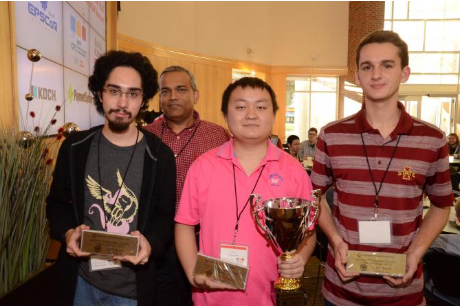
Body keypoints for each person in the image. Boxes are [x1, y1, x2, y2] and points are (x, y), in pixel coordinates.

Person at [310, 30, 453, 306]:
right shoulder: (331, 135)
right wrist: (336, 240)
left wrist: (416, 251)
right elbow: (315, 198)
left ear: (404, 73)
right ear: (357, 76)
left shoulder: (432, 139)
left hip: (404, 293)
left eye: (387, 65)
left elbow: (441, 204)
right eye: (367, 66)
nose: (376, 74)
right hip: (341, 292)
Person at [46, 51, 176, 306]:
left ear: (144, 99)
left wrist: (151, 243)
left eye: (133, 93)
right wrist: (68, 232)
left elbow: (164, 216)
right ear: (100, 93)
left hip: (133, 291)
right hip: (80, 283)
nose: (122, 102)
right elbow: (56, 204)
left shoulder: (160, 155)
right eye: (114, 91)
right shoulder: (75, 146)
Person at [175, 77, 317, 305]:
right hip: (210, 297)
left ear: (273, 115)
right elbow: (184, 224)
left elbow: (307, 232)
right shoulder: (202, 167)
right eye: (241, 107)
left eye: (261, 107)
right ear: (225, 115)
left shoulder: (293, 171)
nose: (251, 114)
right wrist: (192, 271)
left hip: (269, 296)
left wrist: (300, 258)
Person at [143, 66, 231, 306]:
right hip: (158, 240)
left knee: (205, 297)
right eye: (166, 91)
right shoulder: (144, 136)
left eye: (181, 89)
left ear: (196, 95)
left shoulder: (218, 137)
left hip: (204, 240)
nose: (173, 96)